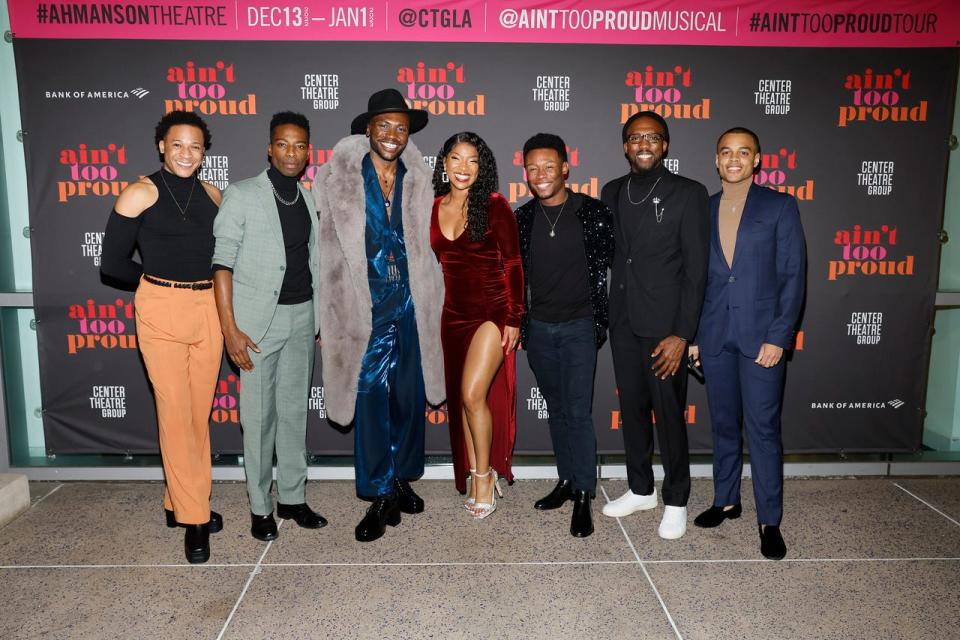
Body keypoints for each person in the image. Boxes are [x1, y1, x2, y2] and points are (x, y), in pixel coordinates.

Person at [313, 89, 445, 542]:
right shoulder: (335, 179)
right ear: (368, 129)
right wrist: (323, 315)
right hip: (361, 302)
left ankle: (402, 476)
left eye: (400, 128)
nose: (392, 135)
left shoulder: (421, 178)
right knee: (370, 396)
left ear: (409, 135)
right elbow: (322, 253)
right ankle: (378, 493)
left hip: (412, 299)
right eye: (384, 126)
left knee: (408, 395)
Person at [100, 111, 223, 563]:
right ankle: (195, 518)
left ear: (204, 151)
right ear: (161, 146)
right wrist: (158, 284)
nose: (186, 154)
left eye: (195, 146)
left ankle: (179, 501)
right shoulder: (140, 192)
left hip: (209, 307)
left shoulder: (213, 194)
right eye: (177, 145)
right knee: (173, 413)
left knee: (196, 413)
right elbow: (112, 265)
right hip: (161, 309)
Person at [689, 127, 806, 560]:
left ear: (757, 160)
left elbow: (794, 277)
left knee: (762, 430)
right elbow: (695, 281)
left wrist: (779, 336)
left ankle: (769, 520)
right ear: (716, 161)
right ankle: (726, 500)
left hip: (762, 341)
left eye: (743, 152)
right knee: (722, 425)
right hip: (715, 336)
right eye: (726, 152)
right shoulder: (703, 210)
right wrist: (696, 337)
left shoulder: (779, 206)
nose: (734, 159)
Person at [212, 111, 326, 542]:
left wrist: (317, 319)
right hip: (257, 325)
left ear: (308, 151)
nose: (291, 152)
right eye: (283, 144)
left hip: (303, 318)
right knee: (259, 420)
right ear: (269, 148)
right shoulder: (241, 195)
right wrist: (231, 329)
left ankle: (292, 499)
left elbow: (311, 260)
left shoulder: (309, 198)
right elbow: (221, 265)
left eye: (299, 145)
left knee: (294, 414)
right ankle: (260, 507)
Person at [600, 110, 709, 540]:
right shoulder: (611, 191)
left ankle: (677, 498)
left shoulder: (689, 193)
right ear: (625, 145)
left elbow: (697, 272)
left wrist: (683, 334)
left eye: (653, 137)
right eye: (635, 138)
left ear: (665, 145)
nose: (643, 144)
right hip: (623, 321)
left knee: (668, 414)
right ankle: (641, 488)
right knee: (632, 410)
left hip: (666, 328)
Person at [515, 133, 613, 537]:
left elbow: (618, 266)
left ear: (565, 168)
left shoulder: (593, 213)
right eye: (533, 168)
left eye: (549, 166)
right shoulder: (521, 218)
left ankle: (586, 493)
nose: (540, 175)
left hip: (579, 326)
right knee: (556, 409)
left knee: (577, 410)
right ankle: (567, 480)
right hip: (538, 329)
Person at [430, 132, 523, 520]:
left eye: (472, 160)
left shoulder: (495, 205)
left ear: (481, 167)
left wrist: (515, 317)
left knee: (472, 396)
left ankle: (485, 477)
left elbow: (514, 265)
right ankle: (472, 472)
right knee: (462, 402)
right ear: (444, 163)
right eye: (456, 158)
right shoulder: (433, 205)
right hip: (453, 316)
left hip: (491, 312)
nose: (463, 168)